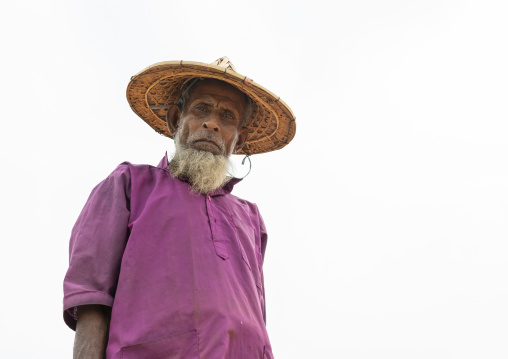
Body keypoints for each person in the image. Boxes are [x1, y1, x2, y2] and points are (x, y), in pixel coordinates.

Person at [63, 57, 296, 359]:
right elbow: (90, 296)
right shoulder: (130, 184)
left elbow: (256, 316)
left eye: (227, 116)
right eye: (201, 108)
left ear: (239, 139)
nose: (212, 123)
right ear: (176, 119)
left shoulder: (251, 219)